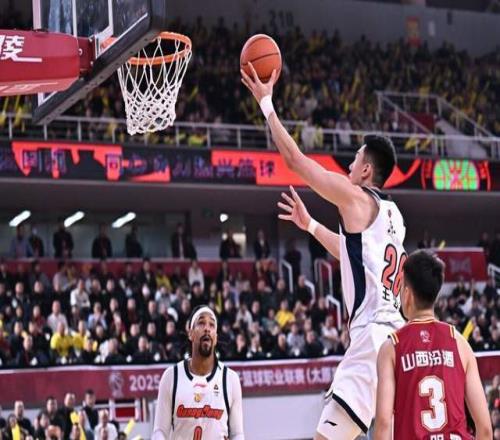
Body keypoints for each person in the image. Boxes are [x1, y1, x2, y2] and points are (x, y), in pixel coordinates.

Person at [245, 65, 406, 439]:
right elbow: (354, 256)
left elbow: (295, 161)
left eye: (355, 159)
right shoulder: (394, 216)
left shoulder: (355, 196)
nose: (349, 164)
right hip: (398, 338)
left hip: (370, 341)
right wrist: (311, 226)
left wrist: (267, 104)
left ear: (366, 170)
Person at [374, 250, 492, 440]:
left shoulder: (392, 347)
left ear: (407, 294)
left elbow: (383, 423)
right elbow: (485, 429)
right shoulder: (460, 343)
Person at [152, 305, 244, 439]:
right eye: (201, 323)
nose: (207, 328)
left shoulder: (230, 379)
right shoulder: (171, 377)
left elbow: (237, 434)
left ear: (216, 337)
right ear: (191, 334)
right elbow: (160, 431)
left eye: (212, 325)